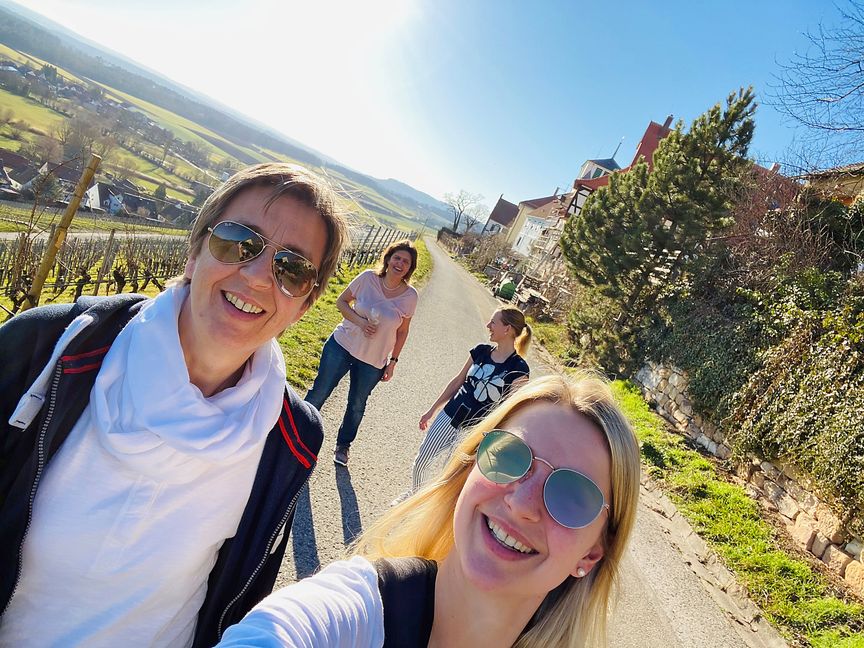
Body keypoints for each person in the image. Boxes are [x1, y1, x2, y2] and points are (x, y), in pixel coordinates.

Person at [0, 162, 347, 648]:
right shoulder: (48, 349)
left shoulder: (289, 440)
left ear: (304, 306)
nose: (256, 276)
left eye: (291, 268)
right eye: (237, 240)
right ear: (194, 251)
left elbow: (240, 599)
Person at [216, 373, 642, 647]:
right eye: (509, 456)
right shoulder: (357, 612)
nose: (521, 503)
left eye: (572, 495)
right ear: (468, 469)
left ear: (591, 553)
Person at [304, 240, 419, 466]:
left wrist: (393, 361)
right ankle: (297, 431)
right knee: (320, 391)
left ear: (410, 268)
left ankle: (343, 446)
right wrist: (360, 321)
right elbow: (342, 301)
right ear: (388, 259)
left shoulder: (410, 297)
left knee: (357, 404)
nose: (400, 263)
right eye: (397, 258)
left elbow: (403, 331)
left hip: (373, 360)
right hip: (342, 345)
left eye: (406, 262)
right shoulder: (368, 278)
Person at [412, 305, 531, 490]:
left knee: (449, 477)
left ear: (507, 329)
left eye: (493, 322)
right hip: (450, 415)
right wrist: (431, 410)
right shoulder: (480, 351)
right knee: (421, 461)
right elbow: (457, 382)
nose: (488, 325)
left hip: (474, 431)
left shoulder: (519, 369)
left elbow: (513, 411)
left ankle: (430, 512)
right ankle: (413, 496)